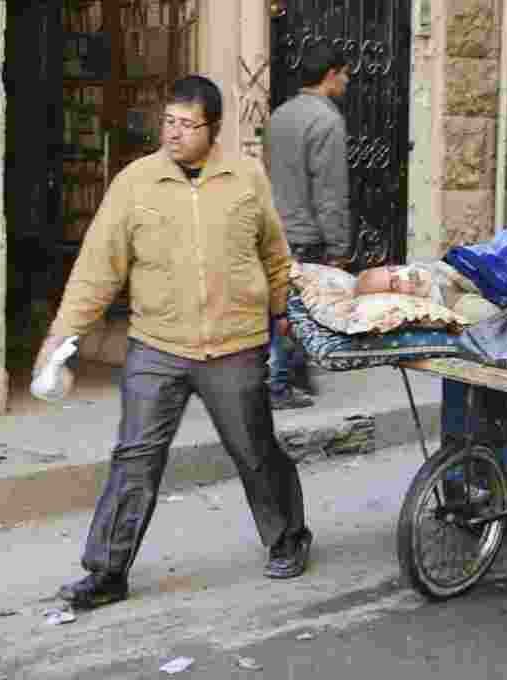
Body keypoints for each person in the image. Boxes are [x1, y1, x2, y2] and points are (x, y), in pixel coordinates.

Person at [33, 76, 313, 610]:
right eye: (169, 122)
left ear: (213, 129)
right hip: (157, 345)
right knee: (134, 458)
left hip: (234, 345)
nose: (175, 133)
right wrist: (60, 336)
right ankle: (107, 571)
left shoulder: (246, 178)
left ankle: (288, 538)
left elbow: (275, 255)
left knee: (255, 452)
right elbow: (96, 269)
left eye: (188, 125)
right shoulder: (135, 184)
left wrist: (282, 313)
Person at [266, 42, 354, 408]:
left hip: (275, 228)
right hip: (305, 233)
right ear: (331, 75)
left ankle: (292, 377)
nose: (347, 82)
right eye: (346, 74)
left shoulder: (279, 115)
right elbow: (329, 192)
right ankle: (278, 386)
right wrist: (339, 247)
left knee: (280, 308)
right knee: (293, 312)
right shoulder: (327, 120)